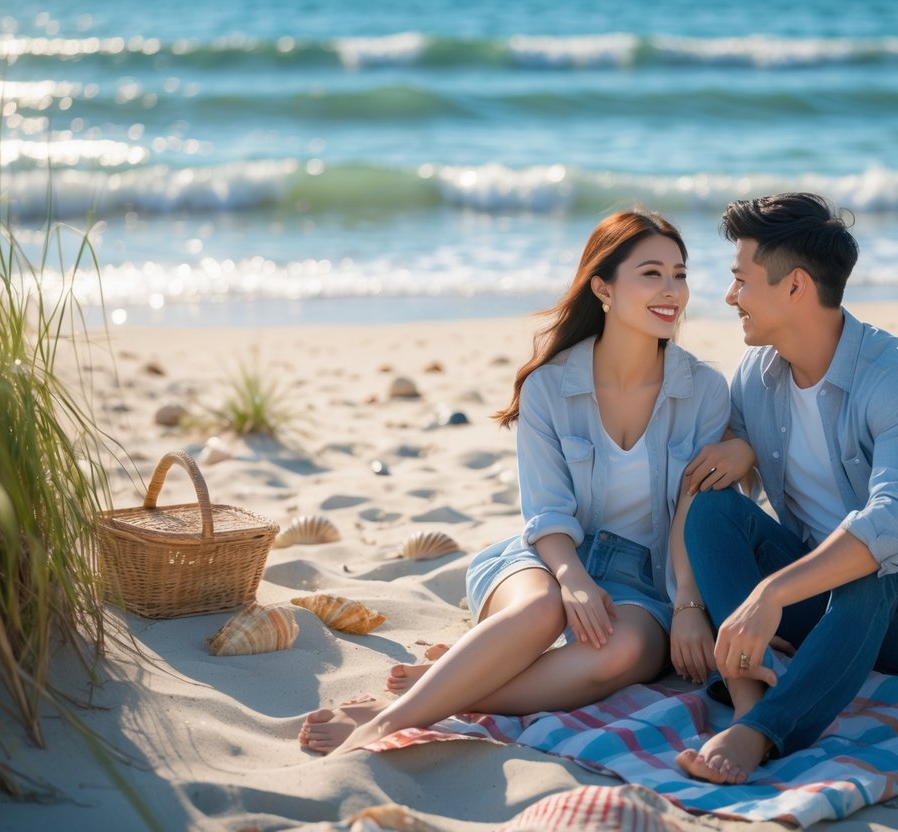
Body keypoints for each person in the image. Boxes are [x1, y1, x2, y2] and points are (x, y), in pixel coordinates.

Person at [298, 210, 729, 755]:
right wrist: (572, 579)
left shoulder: (705, 390)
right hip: (547, 559)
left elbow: (698, 507)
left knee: (621, 655)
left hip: (645, 581)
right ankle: (387, 726)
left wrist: (688, 602)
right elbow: (545, 512)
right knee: (541, 609)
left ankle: (437, 695)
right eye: (651, 274)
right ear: (603, 286)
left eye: (680, 274)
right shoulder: (549, 386)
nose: (672, 291)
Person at [673, 193, 898, 784]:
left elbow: (892, 523)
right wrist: (740, 445)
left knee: (870, 567)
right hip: (813, 596)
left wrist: (769, 596)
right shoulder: (757, 376)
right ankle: (749, 689)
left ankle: (763, 733)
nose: (728, 296)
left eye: (740, 281)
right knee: (712, 509)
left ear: (794, 287)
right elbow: (736, 443)